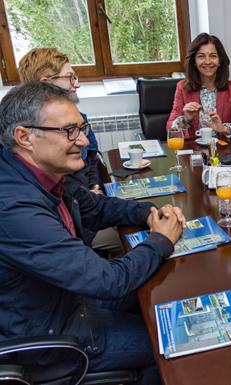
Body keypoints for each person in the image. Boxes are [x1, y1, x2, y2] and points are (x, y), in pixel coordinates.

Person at [0, 82, 185, 385]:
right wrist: (161, 240)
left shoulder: (44, 174)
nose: (83, 140)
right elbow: (107, 280)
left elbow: (97, 209)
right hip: (52, 339)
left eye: (82, 128)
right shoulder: (13, 207)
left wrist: (151, 213)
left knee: (163, 300)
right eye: (69, 131)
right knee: (168, 344)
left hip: (67, 300)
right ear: (25, 137)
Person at [18, 47, 103, 195]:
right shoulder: (31, 133)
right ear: (46, 83)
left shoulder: (80, 118)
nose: (77, 84)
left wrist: (95, 187)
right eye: (70, 77)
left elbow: (92, 158)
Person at [166, 33, 231, 139]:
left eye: (213, 56)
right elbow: (170, 127)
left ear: (220, 60)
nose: (207, 62)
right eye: (201, 56)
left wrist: (224, 128)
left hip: (223, 150)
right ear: (194, 61)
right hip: (193, 151)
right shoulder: (182, 87)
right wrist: (185, 119)